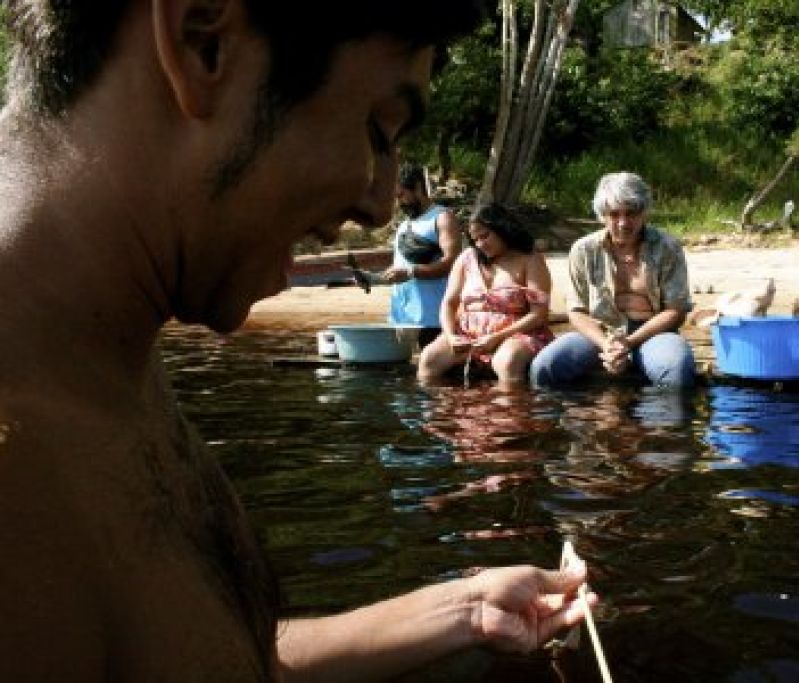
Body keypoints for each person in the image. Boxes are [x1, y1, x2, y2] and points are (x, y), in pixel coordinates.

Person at [0, 2, 593, 681]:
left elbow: (222, 660)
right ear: (202, 45)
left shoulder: (102, 357)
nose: (376, 199)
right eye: (377, 126)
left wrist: (462, 610)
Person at [530, 172, 697, 390]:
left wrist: (629, 342)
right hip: (599, 333)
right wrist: (606, 344)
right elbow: (577, 310)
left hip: (653, 334)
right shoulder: (583, 250)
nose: (623, 222)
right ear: (602, 215)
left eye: (631, 213)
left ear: (644, 212)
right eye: (614, 214)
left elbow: (675, 310)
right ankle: (574, 421)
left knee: (677, 369)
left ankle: (662, 424)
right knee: (544, 367)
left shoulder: (667, 247)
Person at [418, 203, 555, 387]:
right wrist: (451, 336)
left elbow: (539, 314)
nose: (480, 244)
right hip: (467, 334)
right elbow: (448, 304)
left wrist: (497, 338)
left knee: (508, 362)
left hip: (517, 333)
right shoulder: (467, 258)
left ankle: (511, 412)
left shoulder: (530, 259)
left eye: (485, 236)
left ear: (503, 229)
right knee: (429, 358)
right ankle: (443, 413)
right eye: (475, 239)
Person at [381, 163, 461, 348]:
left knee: (431, 374)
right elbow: (401, 270)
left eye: (401, 195)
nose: (398, 202)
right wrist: (372, 278)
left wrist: (411, 273)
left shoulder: (442, 218)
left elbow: (452, 263)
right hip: (401, 317)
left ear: (417, 188)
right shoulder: (404, 225)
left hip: (433, 319)